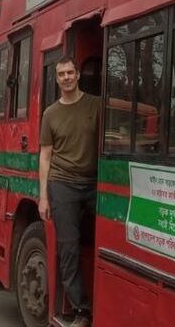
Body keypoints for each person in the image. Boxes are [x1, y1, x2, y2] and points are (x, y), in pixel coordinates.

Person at [38, 57, 101, 327]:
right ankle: (81, 310)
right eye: (61, 74)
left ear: (78, 75)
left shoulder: (96, 105)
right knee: (69, 248)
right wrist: (43, 196)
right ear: (57, 79)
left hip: (95, 182)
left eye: (70, 72)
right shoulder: (50, 114)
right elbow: (45, 156)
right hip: (62, 184)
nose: (66, 77)